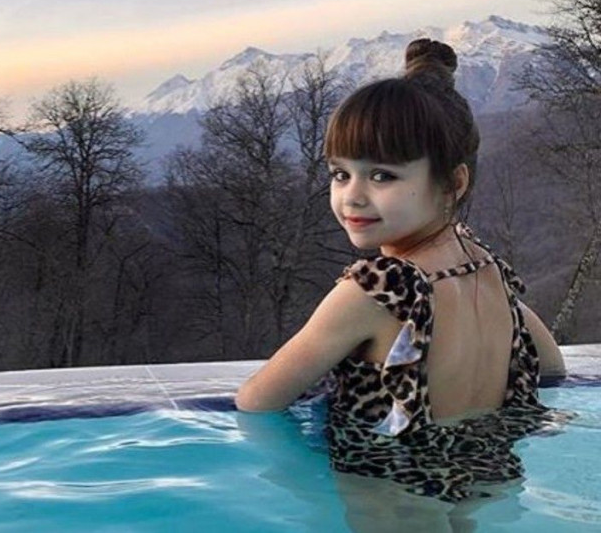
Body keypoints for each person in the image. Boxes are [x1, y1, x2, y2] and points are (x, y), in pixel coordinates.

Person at [235, 38, 568, 505]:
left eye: (382, 176)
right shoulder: (485, 265)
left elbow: (256, 401)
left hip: (395, 492)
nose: (352, 196)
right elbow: (551, 368)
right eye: (340, 174)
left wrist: (310, 474)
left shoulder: (377, 291)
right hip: (487, 478)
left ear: (453, 182)